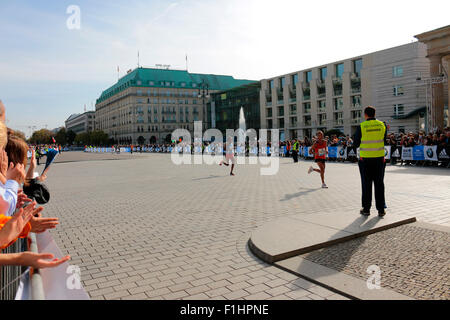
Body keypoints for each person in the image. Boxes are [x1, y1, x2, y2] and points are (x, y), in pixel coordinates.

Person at [354, 106, 387, 217]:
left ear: (365, 114)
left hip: (365, 160)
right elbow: (384, 139)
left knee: (366, 184)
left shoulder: (362, 126)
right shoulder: (382, 125)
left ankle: (366, 209)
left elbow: (356, 143)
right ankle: (381, 209)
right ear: (374, 113)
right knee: (379, 184)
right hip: (379, 159)